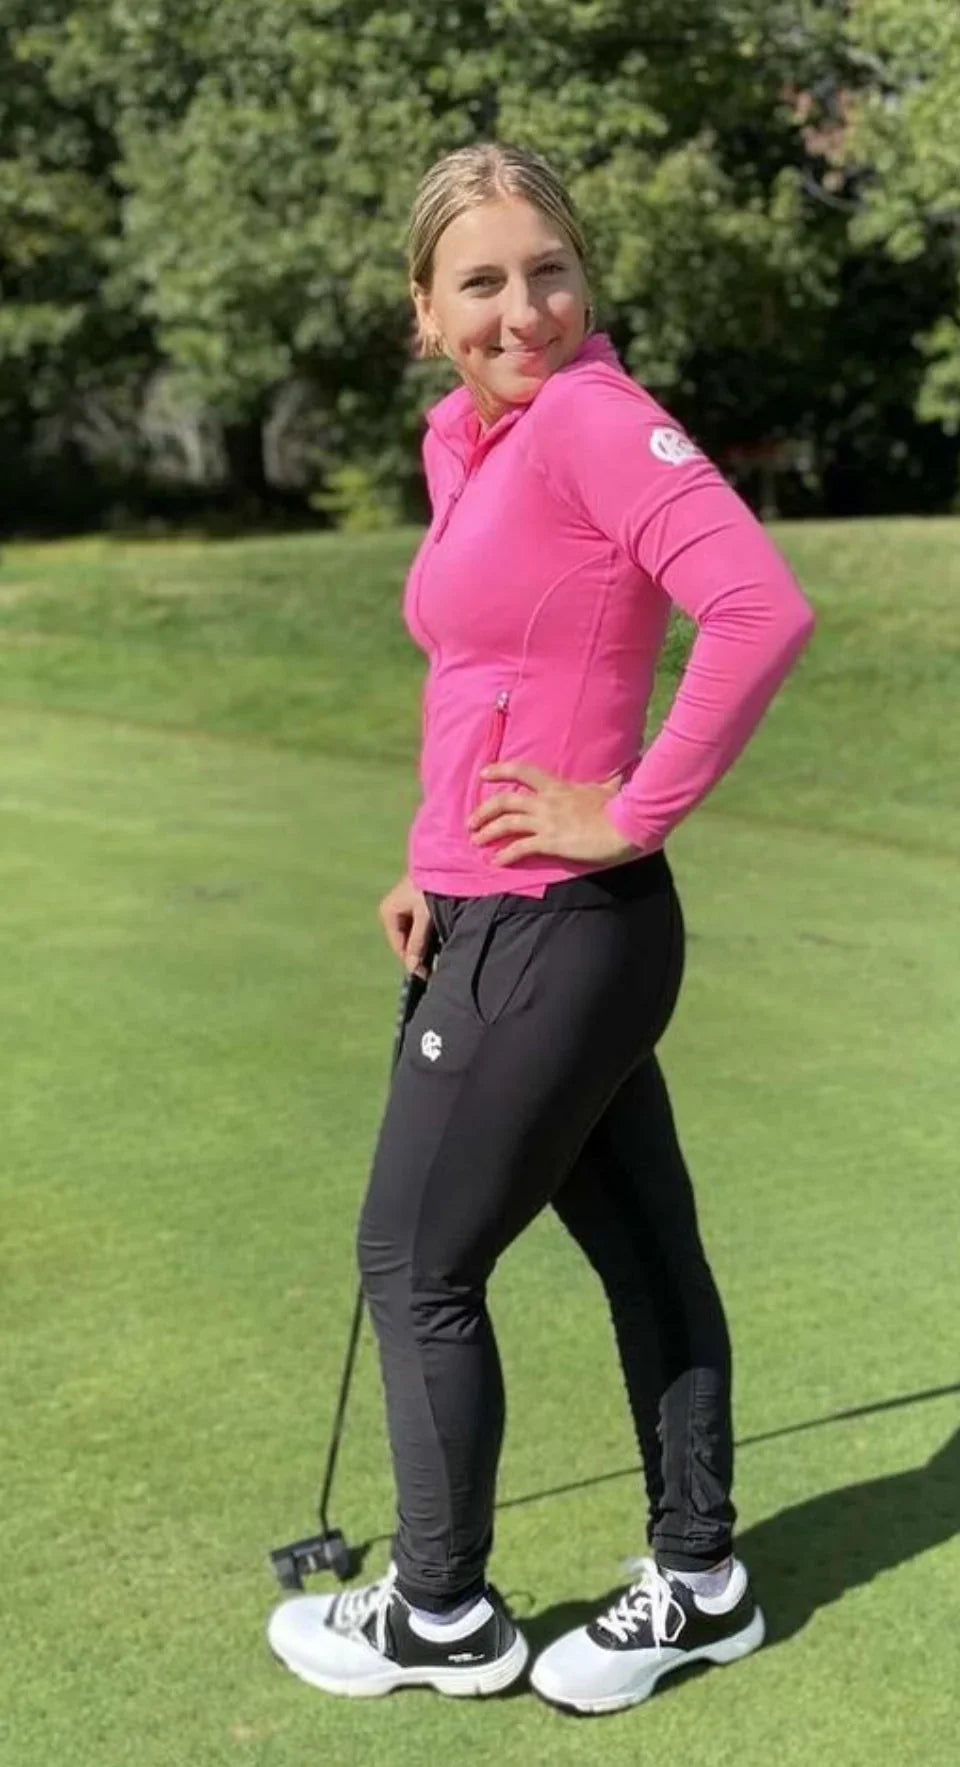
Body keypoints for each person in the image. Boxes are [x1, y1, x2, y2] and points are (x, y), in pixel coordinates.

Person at [267, 140, 816, 1713]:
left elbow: (760, 609)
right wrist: (425, 855)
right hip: (507, 910)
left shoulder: (586, 418)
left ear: (587, 274)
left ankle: (438, 1614)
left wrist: (630, 808)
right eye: (485, 282)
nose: (528, 307)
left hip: (566, 916)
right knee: (646, 1248)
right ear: (424, 310)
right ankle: (701, 1581)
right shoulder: (473, 439)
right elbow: (488, 675)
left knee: (416, 1259)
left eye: (551, 268)